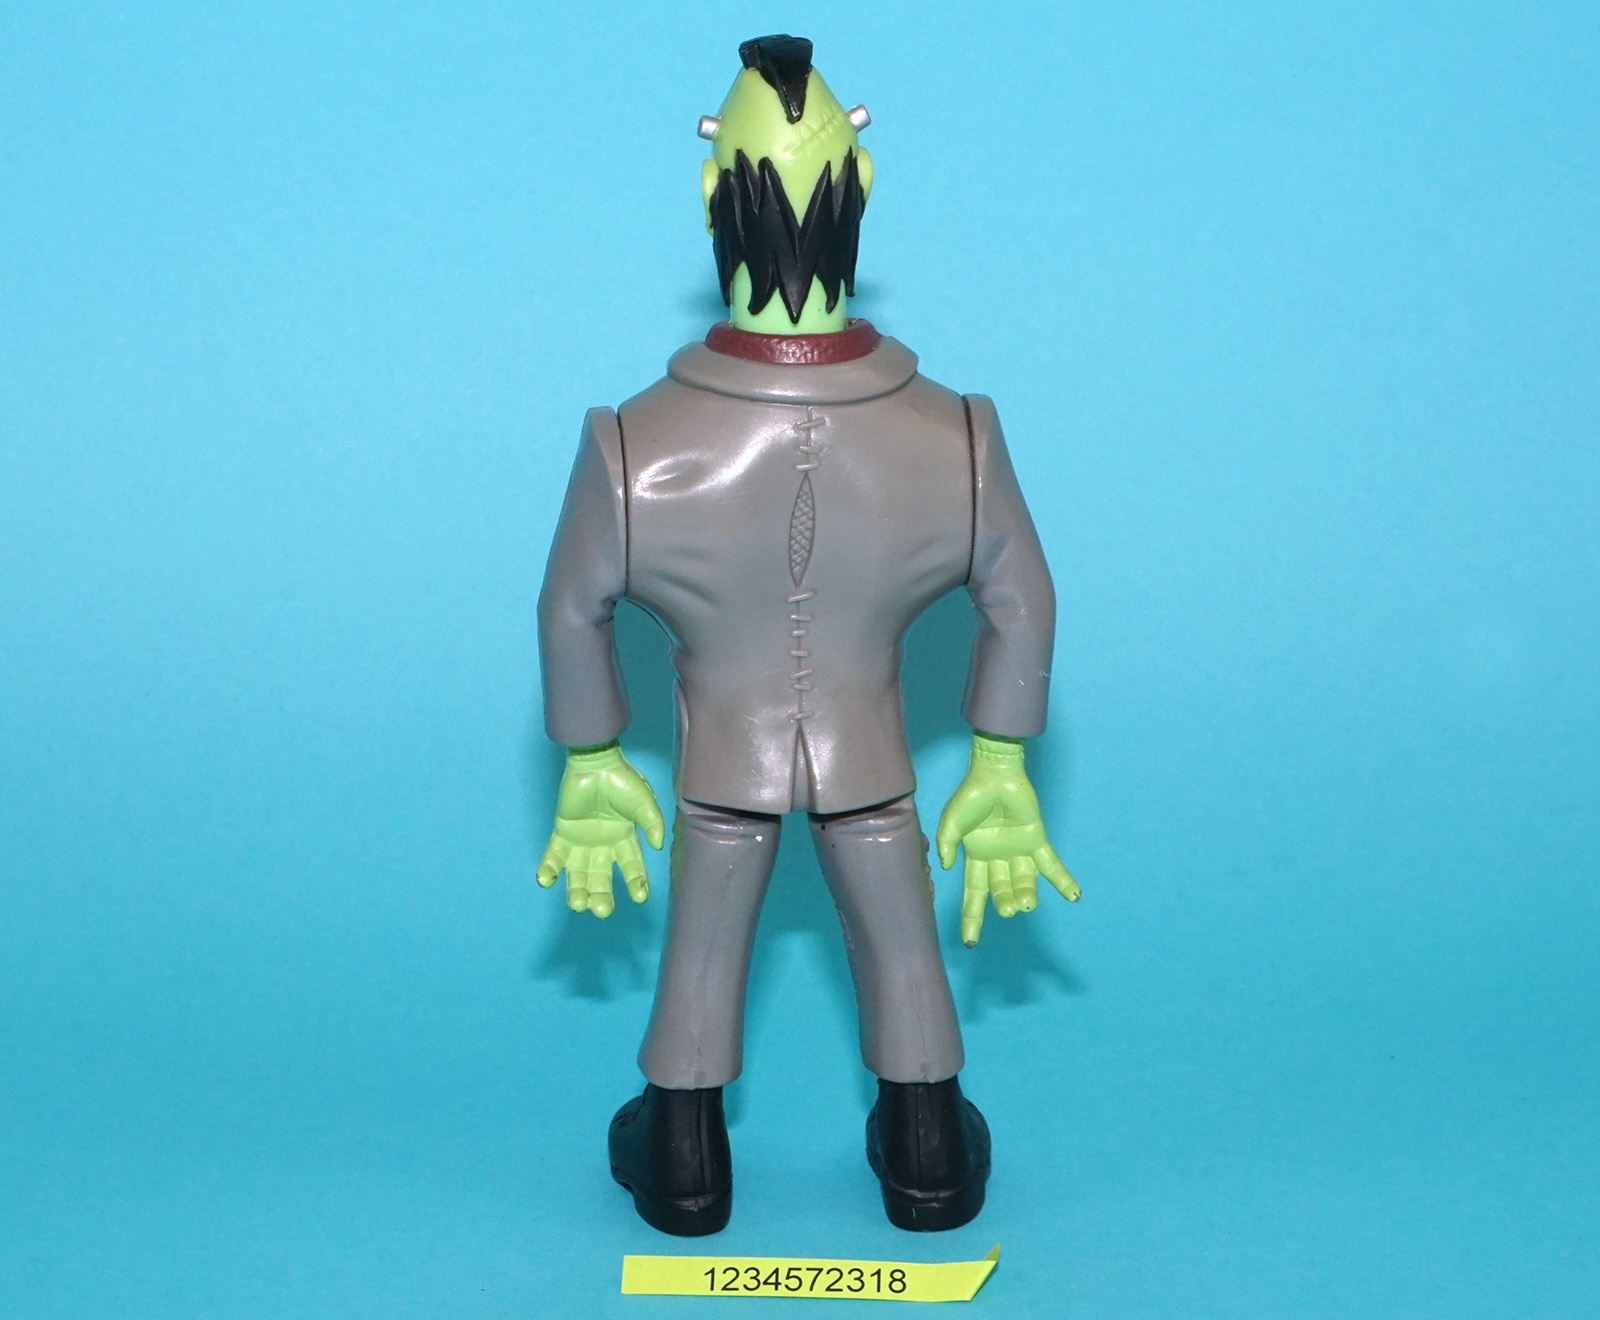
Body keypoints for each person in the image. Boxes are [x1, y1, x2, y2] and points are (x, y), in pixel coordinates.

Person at [536, 34, 1078, 1236]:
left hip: (719, 767)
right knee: (902, 942)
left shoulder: (631, 443)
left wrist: (589, 757)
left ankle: (682, 1156)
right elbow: (1022, 599)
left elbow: (570, 605)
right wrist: (999, 759)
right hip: (870, 760)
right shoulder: (957, 435)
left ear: (709, 192)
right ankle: (929, 1148)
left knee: (700, 944)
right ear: (861, 185)